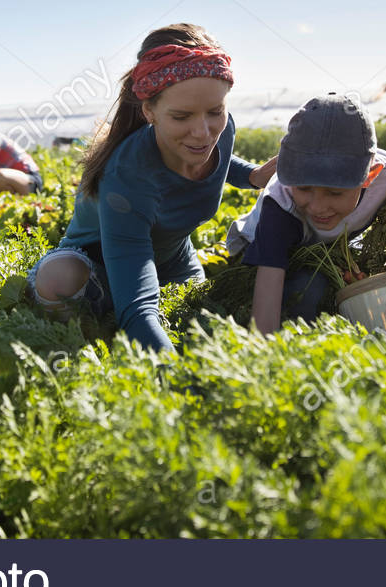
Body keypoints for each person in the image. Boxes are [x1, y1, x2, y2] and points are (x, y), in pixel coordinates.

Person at [26, 23, 277, 352]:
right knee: (60, 281)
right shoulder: (127, 174)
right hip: (96, 265)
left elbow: (218, 157)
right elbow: (139, 307)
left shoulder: (221, 128)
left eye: (214, 111)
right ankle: (93, 318)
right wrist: (172, 378)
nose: (203, 132)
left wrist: (254, 176)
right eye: (182, 116)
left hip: (173, 262)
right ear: (149, 112)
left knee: (199, 317)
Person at [226, 94, 386, 335]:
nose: (318, 206)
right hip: (261, 250)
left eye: (335, 193)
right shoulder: (281, 205)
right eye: (304, 188)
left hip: (331, 245)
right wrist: (263, 349)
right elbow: (269, 285)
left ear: (370, 177)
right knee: (310, 291)